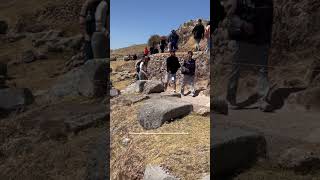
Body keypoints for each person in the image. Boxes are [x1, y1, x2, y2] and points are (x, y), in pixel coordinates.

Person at [221, 0, 274, 111]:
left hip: (262, 38)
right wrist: (243, 24)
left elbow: (269, 19)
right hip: (243, 38)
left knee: (263, 70)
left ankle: (262, 100)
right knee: (236, 69)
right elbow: (230, 14)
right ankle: (230, 99)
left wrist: (268, 39)